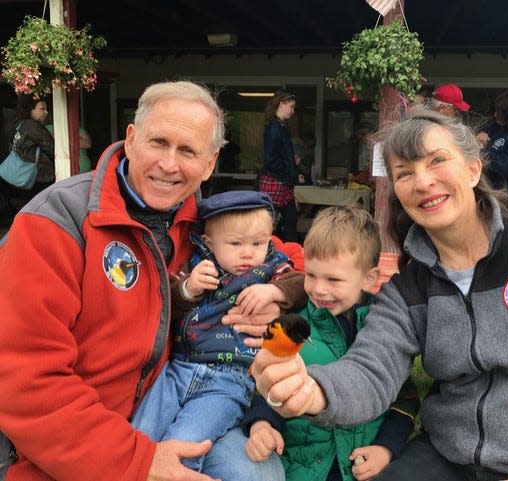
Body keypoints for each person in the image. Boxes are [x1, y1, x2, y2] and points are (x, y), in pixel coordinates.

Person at [249, 109, 508, 481]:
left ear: (473, 168)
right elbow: (369, 372)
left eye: (437, 161)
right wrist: (312, 391)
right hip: (448, 457)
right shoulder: (408, 290)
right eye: (404, 173)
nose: (422, 181)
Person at [0, 81, 300, 481]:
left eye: (188, 151)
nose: (169, 164)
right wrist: (136, 462)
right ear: (131, 139)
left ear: (210, 163)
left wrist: (278, 297)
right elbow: (24, 381)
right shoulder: (57, 220)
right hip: (76, 440)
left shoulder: (199, 219)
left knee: (261, 474)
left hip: (179, 399)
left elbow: (285, 254)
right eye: (159, 142)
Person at [131, 190, 305, 477]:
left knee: (186, 443)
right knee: (140, 433)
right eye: (236, 243)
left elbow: (300, 284)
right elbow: (165, 304)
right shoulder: (198, 264)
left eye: (258, 242)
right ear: (210, 243)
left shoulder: (271, 266)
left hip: (229, 381)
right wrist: (188, 288)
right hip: (179, 370)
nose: (248, 252)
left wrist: (274, 291)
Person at [243, 205, 417, 481]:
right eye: (311, 275)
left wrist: (385, 449)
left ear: (369, 278)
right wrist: (262, 427)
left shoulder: (384, 331)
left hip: (360, 466)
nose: (319, 289)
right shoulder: (289, 328)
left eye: (334, 279)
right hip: (302, 467)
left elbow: (404, 399)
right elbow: (266, 389)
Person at [258, 91, 304, 242]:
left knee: (289, 219)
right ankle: (273, 250)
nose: (293, 111)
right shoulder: (273, 128)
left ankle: (290, 252)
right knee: (271, 223)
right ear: (281, 104)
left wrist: (295, 172)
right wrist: (291, 169)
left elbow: (282, 157)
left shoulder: (280, 127)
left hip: (282, 181)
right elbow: (271, 160)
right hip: (275, 181)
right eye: (291, 107)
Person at [1, 95, 55, 217]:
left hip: (12, 180)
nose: (46, 112)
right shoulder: (34, 126)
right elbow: (53, 149)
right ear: (31, 109)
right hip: (30, 181)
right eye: (42, 109)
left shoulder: (19, 124)